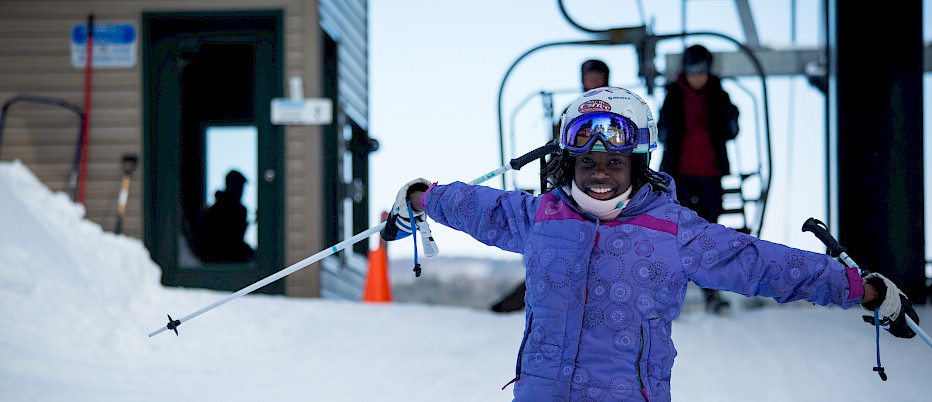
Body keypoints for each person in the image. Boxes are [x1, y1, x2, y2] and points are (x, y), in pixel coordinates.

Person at [380, 87, 919, 402]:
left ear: (637, 164)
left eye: (614, 163)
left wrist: (859, 289)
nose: (599, 175)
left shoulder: (674, 231)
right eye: (587, 163)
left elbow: (762, 265)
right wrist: (425, 197)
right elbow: (481, 208)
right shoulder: (543, 216)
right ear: (568, 162)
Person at [490, 59, 612, 314]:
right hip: (577, 187)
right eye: (589, 79)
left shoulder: (619, 109)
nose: (593, 84)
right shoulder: (573, 110)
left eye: (597, 79)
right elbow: (559, 149)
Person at [657, 44, 740, 313]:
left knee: (708, 233)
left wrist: (732, 119)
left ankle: (710, 291)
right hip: (680, 173)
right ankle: (670, 291)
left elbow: (729, 130)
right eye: (693, 72)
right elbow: (661, 129)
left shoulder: (719, 95)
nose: (697, 77)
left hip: (710, 173)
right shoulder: (673, 95)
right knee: (677, 231)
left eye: (701, 72)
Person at [195, 169, 256, 263]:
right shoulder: (222, 210)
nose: (242, 191)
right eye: (240, 187)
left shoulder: (215, 209)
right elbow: (232, 240)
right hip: (222, 260)